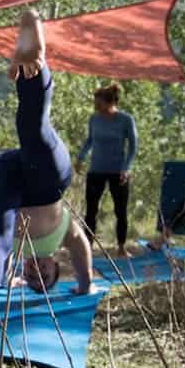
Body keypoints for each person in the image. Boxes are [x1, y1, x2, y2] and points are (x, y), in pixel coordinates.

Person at [0, 10, 94, 355]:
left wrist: (12, 278)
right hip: (48, 179)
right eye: (46, 275)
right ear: (56, 266)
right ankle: (32, 64)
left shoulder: (15, 258)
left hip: (6, 176)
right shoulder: (62, 238)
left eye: (32, 278)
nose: (38, 272)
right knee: (35, 130)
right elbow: (82, 249)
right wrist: (86, 286)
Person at [75, 84, 138, 257]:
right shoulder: (94, 119)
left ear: (110, 103)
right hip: (96, 170)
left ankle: (121, 246)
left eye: (99, 104)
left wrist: (126, 168)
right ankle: (87, 245)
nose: (96, 107)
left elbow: (133, 147)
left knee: (120, 210)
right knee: (91, 210)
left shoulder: (126, 120)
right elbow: (89, 140)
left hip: (118, 171)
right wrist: (80, 158)